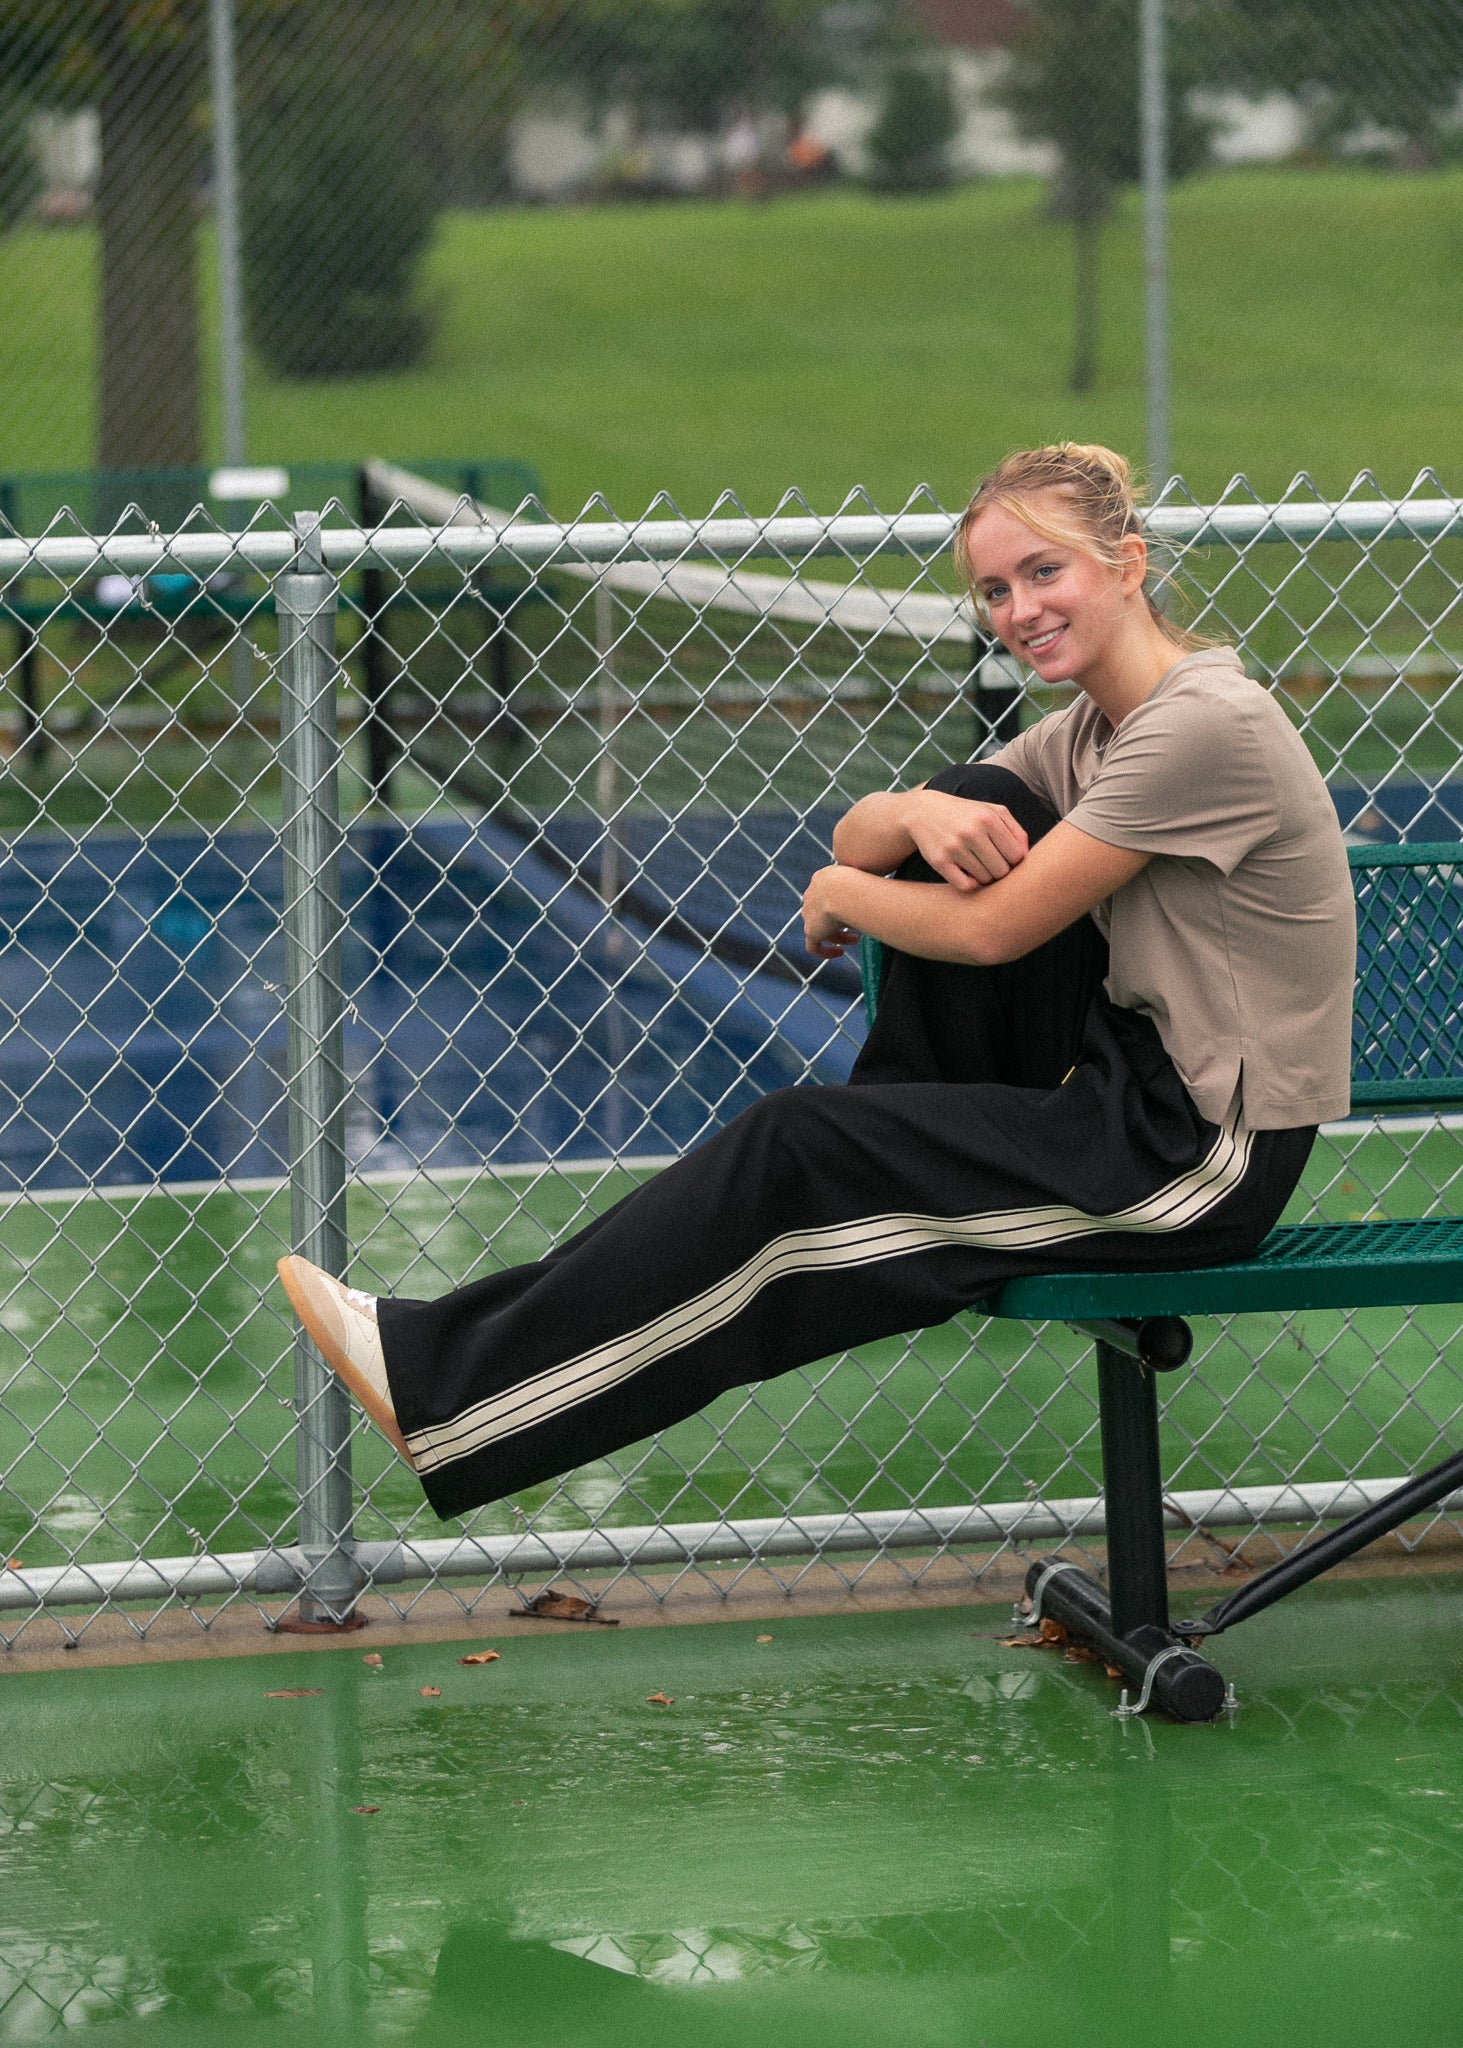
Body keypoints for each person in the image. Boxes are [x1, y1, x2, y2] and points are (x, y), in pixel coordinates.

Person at [278, 442, 1356, 1522]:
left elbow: (994, 932)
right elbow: (869, 836)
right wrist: (911, 811)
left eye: (1044, 572)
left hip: (1197, 1158)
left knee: (792, 1154)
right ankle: (451, 1366)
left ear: (1126, 563)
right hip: (1116, 1100)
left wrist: (842, 892)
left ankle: (448, 1394)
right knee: (970, 799)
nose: (1018, 610)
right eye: (993, 589)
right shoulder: (1089, 732)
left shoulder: (1201, 726)